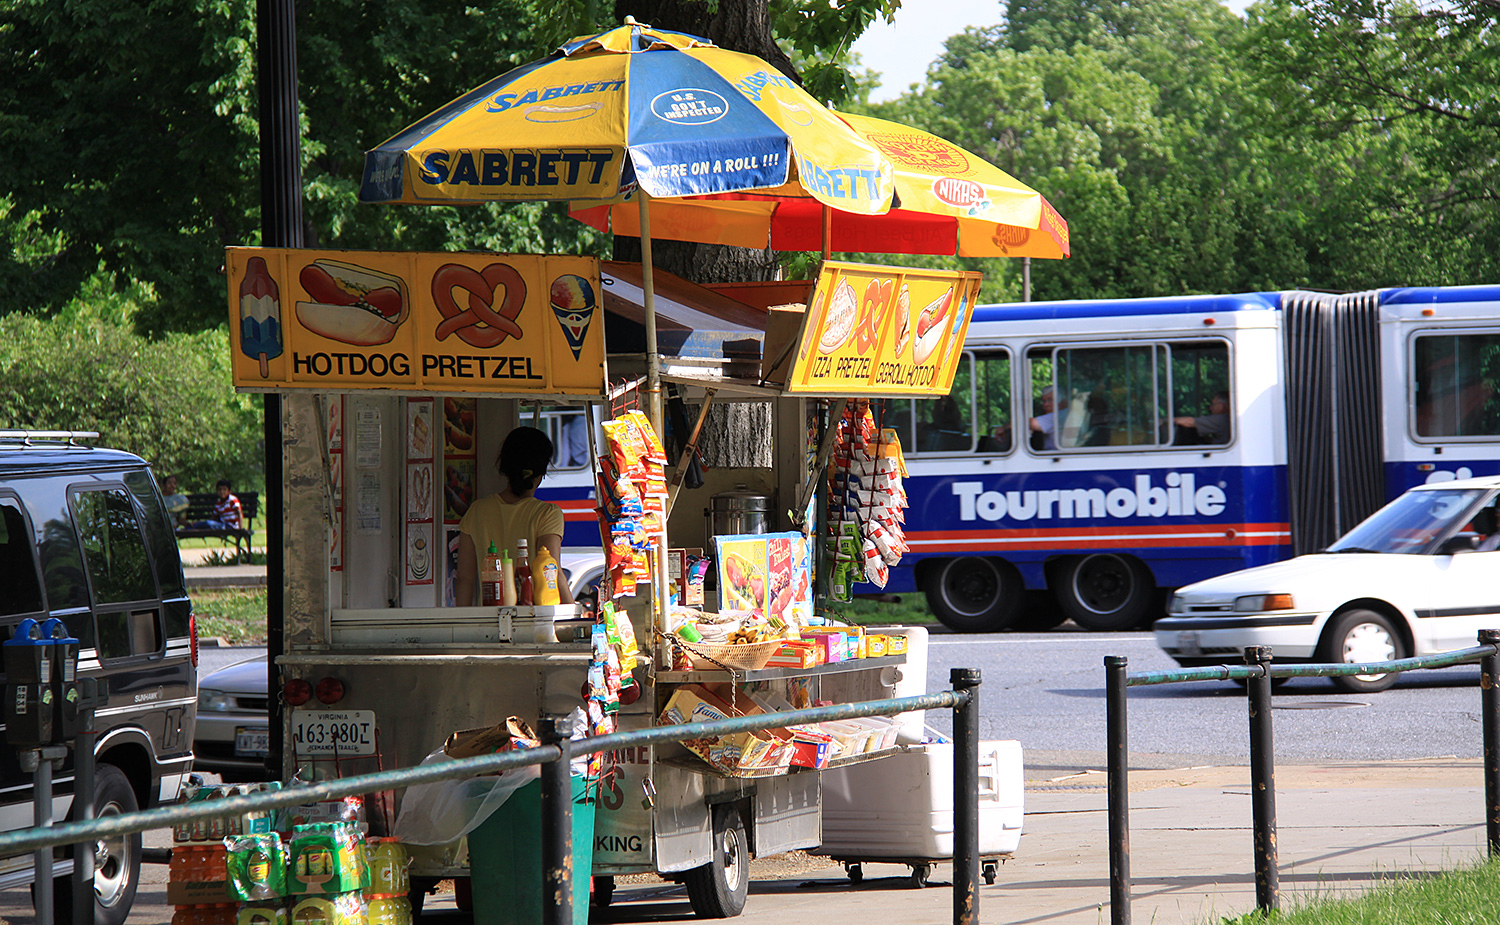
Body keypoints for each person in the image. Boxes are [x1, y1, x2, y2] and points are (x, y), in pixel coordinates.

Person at [455, 426, 575, 605]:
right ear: (542, 471)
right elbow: (551, 573)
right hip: (534, 617)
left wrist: (463, 620)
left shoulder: (476, 511)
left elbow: (464, 579)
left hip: (489, 618)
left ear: (505, 467)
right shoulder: (547, 514)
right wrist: (574, 614)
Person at [1029, 386, 1064, 450]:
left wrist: (1008, 426)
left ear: (1063, 401)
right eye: (1044, 401)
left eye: (1050, 400)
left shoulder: (1060, 415)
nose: (1045, 404)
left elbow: (1031, 423)